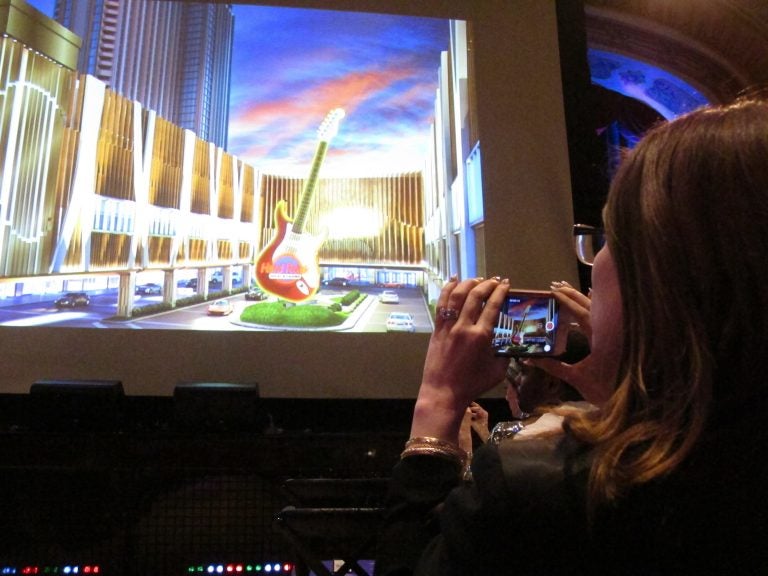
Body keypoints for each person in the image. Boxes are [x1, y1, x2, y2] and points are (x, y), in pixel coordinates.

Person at [375, 97, 768, 575]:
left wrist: (437, 400)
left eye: (606, 238)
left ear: (662, 279)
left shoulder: (539, 489)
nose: (594, 262)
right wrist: (629, 397)